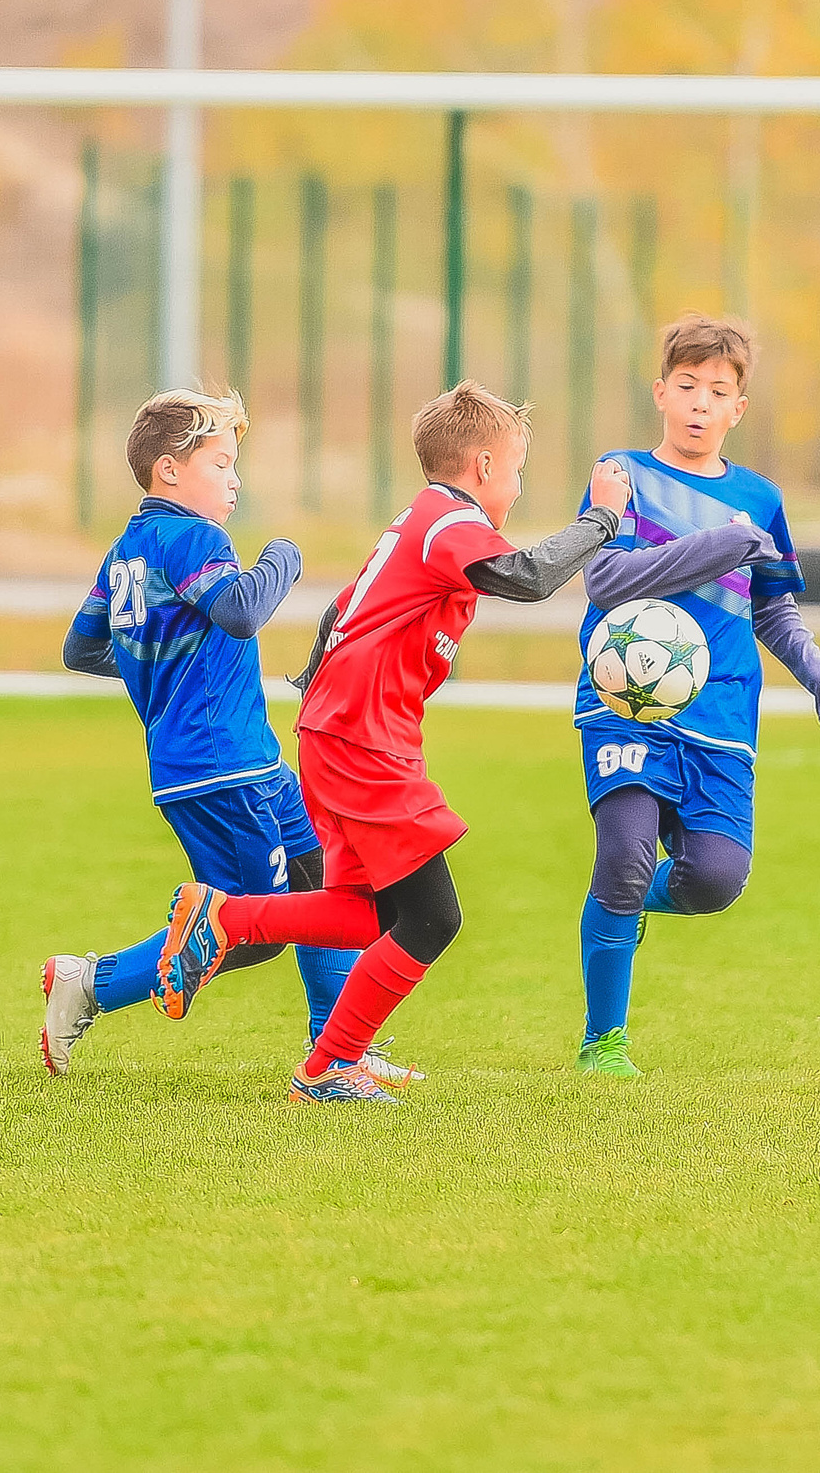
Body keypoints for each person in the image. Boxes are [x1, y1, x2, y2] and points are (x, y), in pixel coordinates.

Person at [139, 381, 633, 1103]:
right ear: (484, 466)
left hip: (347, 732)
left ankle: (227, 920)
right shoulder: (450, 519)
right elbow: (525, 577)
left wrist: (320, 690)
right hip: (363, 738)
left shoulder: (425, 520)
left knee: (368, 913)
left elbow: (344, 606)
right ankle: (328, 1066)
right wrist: (603, 518)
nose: (518, 487)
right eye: (518, 471)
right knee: (433, 918)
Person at [38, 389, 417, 1086]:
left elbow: (81, 648)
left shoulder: (127, 550)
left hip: (248, 762)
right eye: (220, 463)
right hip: (220, 768)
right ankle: (91, 983)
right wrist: (284, 557)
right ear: (169, 470)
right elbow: (240, 610)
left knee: (324, 882)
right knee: (247, 928)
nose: (235, 479)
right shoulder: (196, 538)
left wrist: (161, 666)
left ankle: (339, 1050)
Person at [570, 315, 820, 1078]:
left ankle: (621, 906)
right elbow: (605, 580)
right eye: (688, 384)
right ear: (661, 391)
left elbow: (772, 607)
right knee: (625, 855)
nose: (701, 401)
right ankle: (604, 1041)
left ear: (739, 407)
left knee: (715, 881)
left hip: (723, 712)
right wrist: (714, 545)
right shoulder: (620, 476)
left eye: (719, 390)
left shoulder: (759, 498)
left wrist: (816, 666)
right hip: (626, 705)